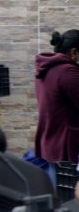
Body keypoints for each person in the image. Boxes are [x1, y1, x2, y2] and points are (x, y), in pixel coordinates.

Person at [34, 30, 79, 166]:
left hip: (52, 143)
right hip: (67, 145)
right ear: (74, 52)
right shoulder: (68, 72)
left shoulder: (46, 69)